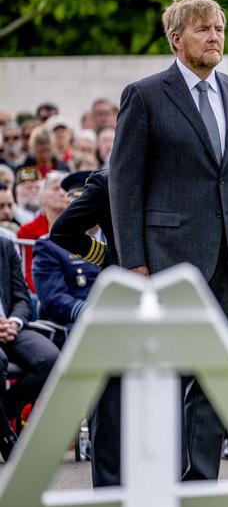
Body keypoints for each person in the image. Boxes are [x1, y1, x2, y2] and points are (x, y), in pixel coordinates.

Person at [108, 0, 228, 481]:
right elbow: (124, 184)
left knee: (215, 374)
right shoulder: (145, 95)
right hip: (167, 259)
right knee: (168, 371)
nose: (214, 37)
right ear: (176, 39)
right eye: (203, 29)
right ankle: (158, 478)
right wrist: (133, 259)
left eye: (219, 28)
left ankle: (200, 482)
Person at [48, 167, 119, 486]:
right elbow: (63, 232)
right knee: (110, 396)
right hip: (120, 297)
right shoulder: (108, 181)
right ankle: (109, 487)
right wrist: (109, 258)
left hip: (169, 294)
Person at [0, 234, 60, 461]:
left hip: (11, 327)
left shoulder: (5, 245)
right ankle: (6, 437)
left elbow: (21, 297)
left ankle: (4, 413)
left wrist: (13, 323)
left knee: (51, 359)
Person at [32, 172, 101, 326]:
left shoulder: (113, 241)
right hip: (77, 325)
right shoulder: (49, 246)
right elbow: (54, 299)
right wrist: (91, 312)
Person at [17, 171, 68, 293]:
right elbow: (28, 271)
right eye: (56, 188)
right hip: (41, 291)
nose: (62, 193)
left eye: (65, 189)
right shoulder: (27, 231)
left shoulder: (79, 227)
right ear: (42, 196)